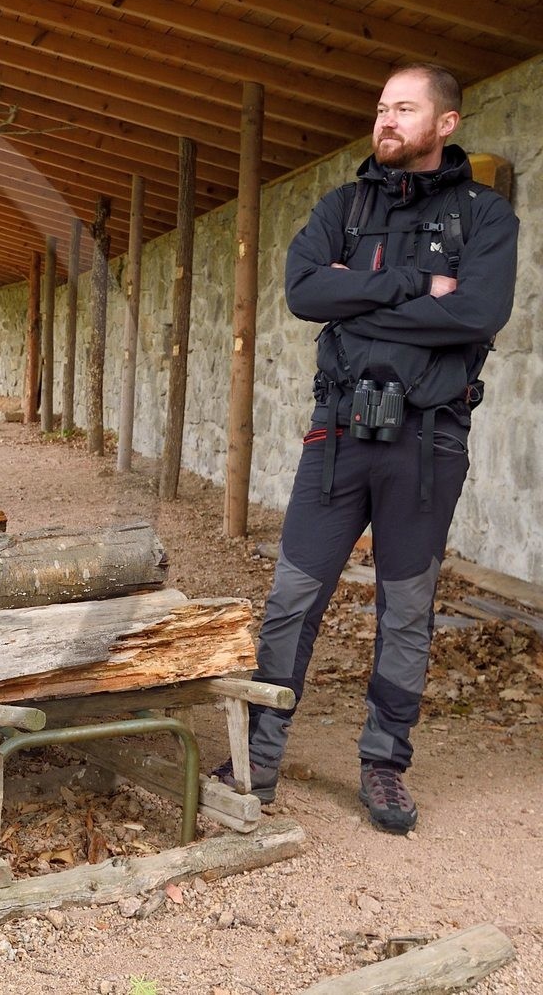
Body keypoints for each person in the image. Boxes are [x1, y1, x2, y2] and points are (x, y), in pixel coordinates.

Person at [214, 63, 517, 834]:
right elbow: (304, 293)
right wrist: (414, 285)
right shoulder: (343, 206)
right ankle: (259, 755)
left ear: (445, 123)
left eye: (404, 109)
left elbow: (477, 314)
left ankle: (385, 763)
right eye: (382, 107)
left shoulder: (484, 215)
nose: (385, 120)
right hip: (339, 436)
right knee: (292, 598)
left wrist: (357, 300)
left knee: (406, 610)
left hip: (429, 442)